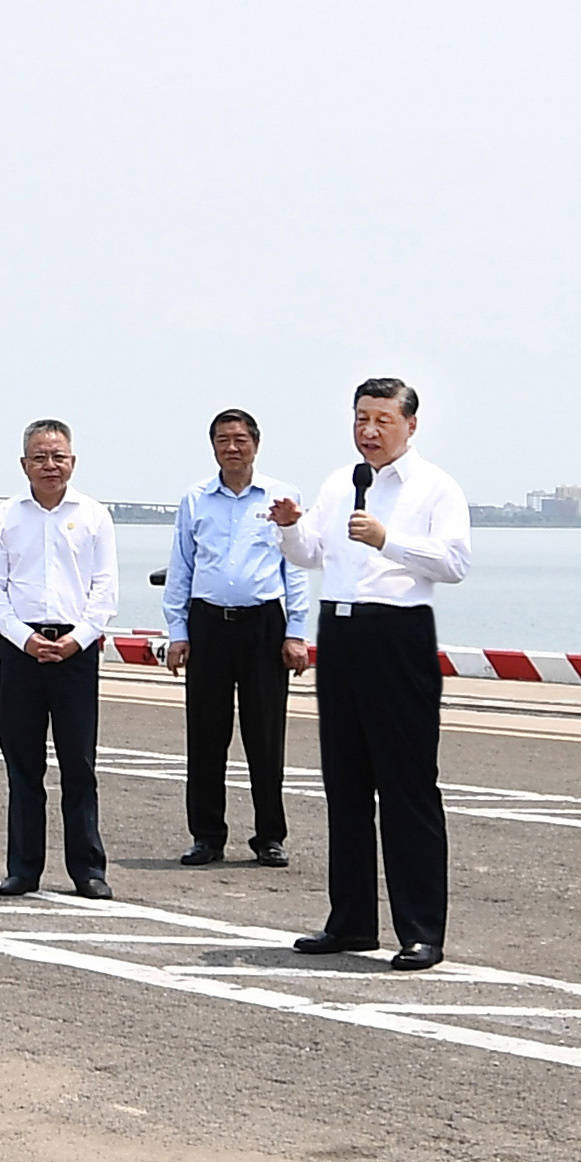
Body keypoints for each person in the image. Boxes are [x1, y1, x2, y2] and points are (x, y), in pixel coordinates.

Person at [277, 379, 474, 971]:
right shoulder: (340, 483)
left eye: (382, 419)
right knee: (345, 782)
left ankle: (420, 931)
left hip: (398, 634)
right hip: (339, 633)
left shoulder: (436, 487)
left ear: (410, 425)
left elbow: (456, 562)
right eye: (361, 417)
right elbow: (312, 554)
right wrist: (290, 525)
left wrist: (390, 540)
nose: (368, 429)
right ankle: (351, 921)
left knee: (408, 786)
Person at [160, 409, 312, 868]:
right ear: (213, 447)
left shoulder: (281, 497)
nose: (233, 447)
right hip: (208, 624)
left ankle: (270, 836)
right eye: (224, 439)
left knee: (265, 735)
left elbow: (297, 567)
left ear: (256, 444)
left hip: (263, 624)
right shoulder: (195, 499)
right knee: (206, 735)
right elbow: (181, 567)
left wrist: (297, 632)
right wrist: (178, 631)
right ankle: (206, 836)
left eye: (241, 439)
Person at [0, 419, 119, 900]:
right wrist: (24, 639)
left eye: (58, 456)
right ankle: (23, 868)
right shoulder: (3, 519)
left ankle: (88, 870)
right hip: (21, 652)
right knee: (23, 763)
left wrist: (78, 639)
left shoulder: (95, 516)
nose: (50, 465)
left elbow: (104, 590)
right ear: (24, 464)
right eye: (40, 457)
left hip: (77, 652)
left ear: (72, 461)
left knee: (79, 763)